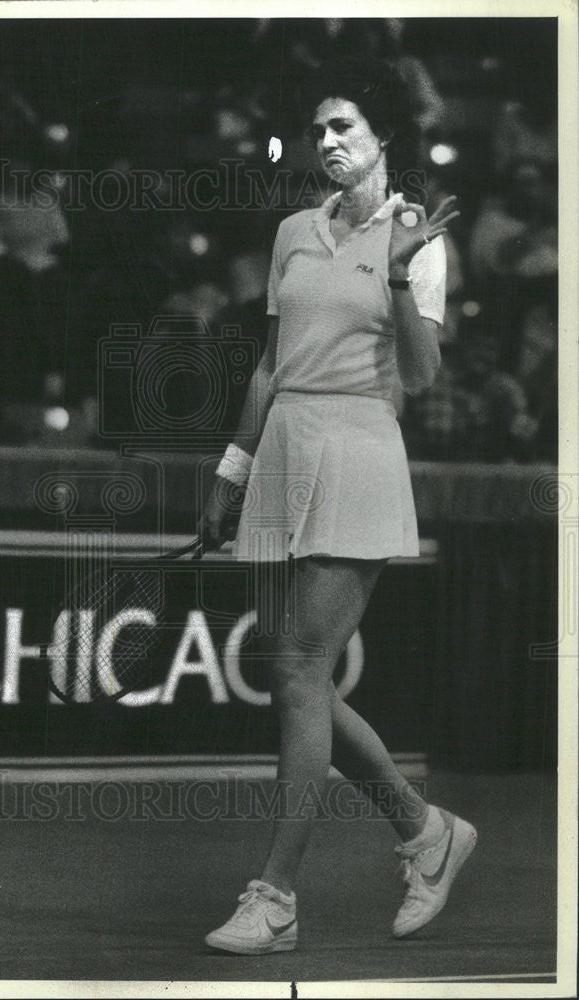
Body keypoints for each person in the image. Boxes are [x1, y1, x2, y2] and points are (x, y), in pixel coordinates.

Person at [201, 56, 476, 954]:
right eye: (318, 130)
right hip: (281, 452)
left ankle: (273, 897)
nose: (325, 143)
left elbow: (425, 375)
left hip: (358, 452)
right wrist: (231, 474)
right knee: (297, 678)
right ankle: (427, 834)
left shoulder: (421, 238)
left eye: (343, 127)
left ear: (382, 136)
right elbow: (267, 366)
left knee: (296, 674)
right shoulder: (290, 233)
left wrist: (396, 275)